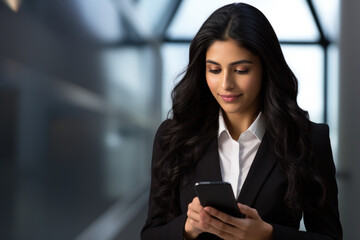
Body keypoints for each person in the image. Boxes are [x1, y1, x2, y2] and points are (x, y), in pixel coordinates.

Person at [141, 2, 342, 240]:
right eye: (214, 70)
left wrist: (268, 235)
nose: (226, 84)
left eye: (241, 70)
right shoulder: (173, 137)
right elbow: (151, 234)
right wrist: (188, 227)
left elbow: (330, 237)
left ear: (266, 68)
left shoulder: (307, 140)